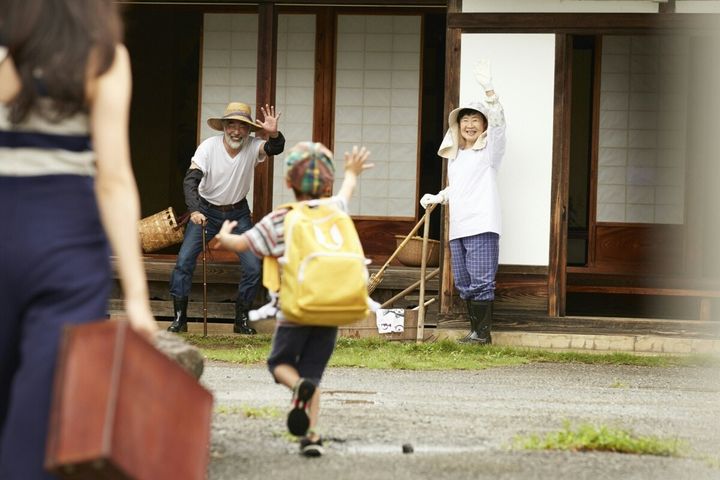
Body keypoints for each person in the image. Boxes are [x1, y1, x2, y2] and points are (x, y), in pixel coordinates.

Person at [0, 1, 159, 478]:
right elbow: (114, 179)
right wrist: (137, 298)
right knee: (38, 434)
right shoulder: (102, 56)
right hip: (66, 249)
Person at [215, 142, 372, 457]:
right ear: (326, 184)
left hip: (295, 312)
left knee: (280, 365)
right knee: (312, 376)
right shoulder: (335, 209)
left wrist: (224, 236)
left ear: (288, 182)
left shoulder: (281, 219)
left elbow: (243, 244)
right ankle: (311, 437)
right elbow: (347, 190)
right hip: (330, 311)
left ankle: (298, 389)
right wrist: (352, 172)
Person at [167, 101, 285, 334]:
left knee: (253, 266)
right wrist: (195, 210)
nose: (236, 131)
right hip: (205, 211)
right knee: (184, 262)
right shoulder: (208, 147)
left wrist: (274, 134)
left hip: (238, 214)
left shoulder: (253, 146)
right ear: (223, 127)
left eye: (242, 126)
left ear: (248, 130)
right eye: (231, 125)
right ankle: (180, 319)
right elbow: (191, 180)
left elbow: (275, 148)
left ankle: (241, 320)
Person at [420, 59, 506, 344]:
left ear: (483, 125)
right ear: (457, 126)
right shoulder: (456, 158)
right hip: (459, 227)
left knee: (481, 281)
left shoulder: (489, 152)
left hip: (482, 225)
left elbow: (499, 126)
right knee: (465, 282)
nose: (469, 125)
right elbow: (458, 188)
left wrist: (489, 92)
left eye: (475, 120)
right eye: (465, 120)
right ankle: (474, 332)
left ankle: (482, 335)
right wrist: (439, 196)